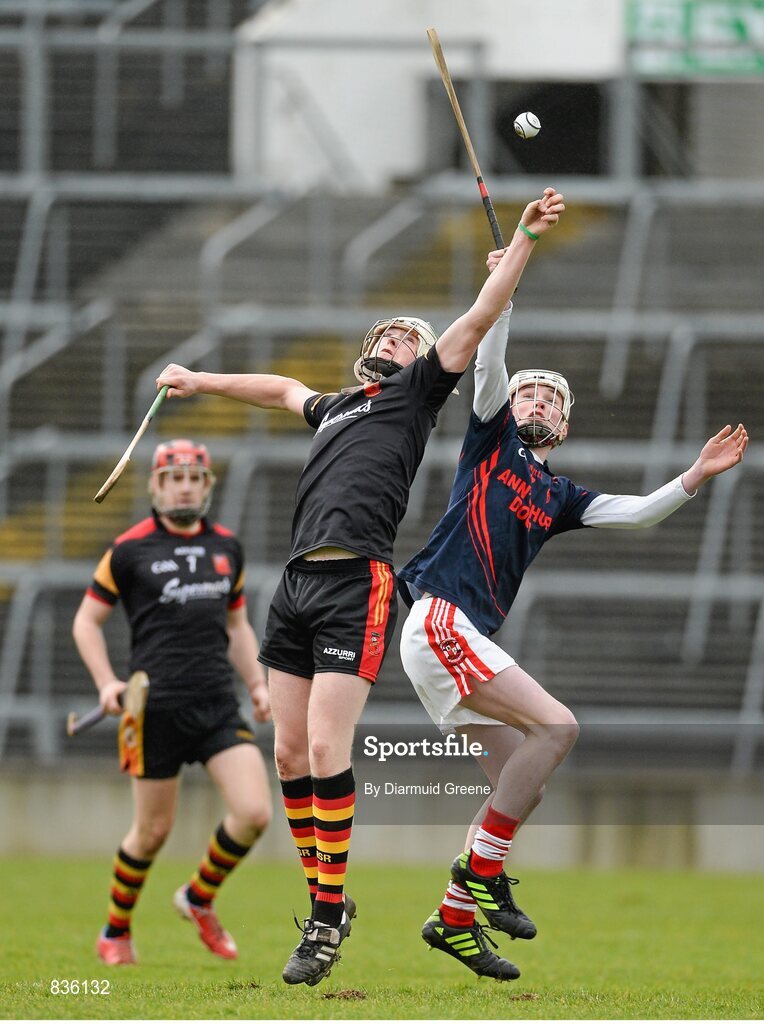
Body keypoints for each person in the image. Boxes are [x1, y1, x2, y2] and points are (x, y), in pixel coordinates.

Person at [153, 188, 566, 987]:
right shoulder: (339, 405)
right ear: (368, 349)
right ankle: (328, 901)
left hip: (360, 584)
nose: (403, 339)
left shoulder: (416, 397)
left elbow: (480, 315)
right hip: (297, 581)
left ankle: (324, 919)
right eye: (392, 332)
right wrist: (199, 380)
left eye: (413, 336)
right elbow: (278, 389)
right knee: (286, 756)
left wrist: (521, 241)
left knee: (323, 749)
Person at [398, 252, 749, 981]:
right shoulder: (488, 442)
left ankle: (455, 918)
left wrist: (693, 477)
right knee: (558, 727)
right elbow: (488, 362)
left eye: (549, 401)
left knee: (521, 780)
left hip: (456, 639)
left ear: (563, 424)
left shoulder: (558, 496)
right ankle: (485, 877)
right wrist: (508, 294)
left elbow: (641, 514)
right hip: (439, 620)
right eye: (527, 394)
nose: (534, 403)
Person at [73, 438, 272, 966]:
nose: (184, 486)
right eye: (173, 477)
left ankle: (198, 897)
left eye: (193, 478)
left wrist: (256, 684)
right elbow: (85, 622)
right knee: (152, 832)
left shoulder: (228, 548)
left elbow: (236, 626)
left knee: (254, 812)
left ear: (207, 486)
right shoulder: (128, 549)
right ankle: (115, 931)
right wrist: (105, 683)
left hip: (215, 704)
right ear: (156, 486)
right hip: (151, 710)